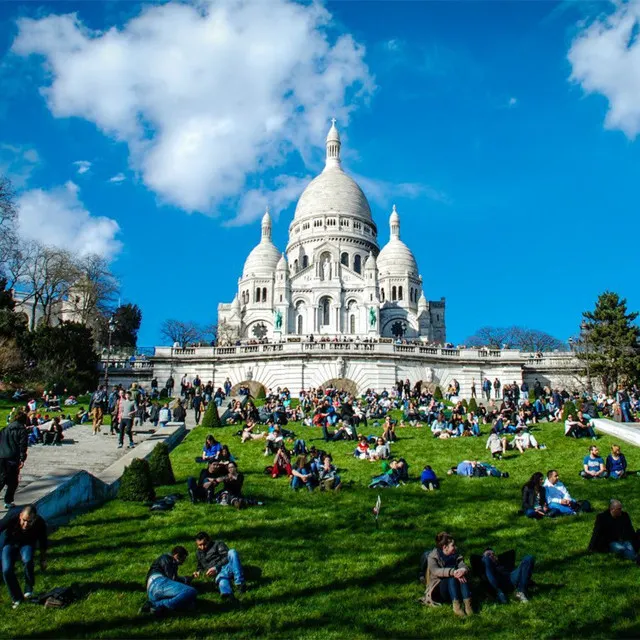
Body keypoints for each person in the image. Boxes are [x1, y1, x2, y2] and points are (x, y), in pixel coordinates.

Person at [0, 505, 48, 609]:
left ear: (34, 519)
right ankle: (17, 598)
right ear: (20, 515)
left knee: (28, 560)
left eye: (29, 522)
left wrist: (43, 559)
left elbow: (43, 541)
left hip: (27, 543)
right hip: (11, 542)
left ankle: (28, 589)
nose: (26, 524)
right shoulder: (12, 516)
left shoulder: (40, 523)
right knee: (6, 570)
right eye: (24, 520)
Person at [419, 531, 473, 617]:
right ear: (445, 547)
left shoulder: (455, 554)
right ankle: (457, 607)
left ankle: (468, 606)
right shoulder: (433, 556)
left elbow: (462, 564)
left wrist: (462, 570)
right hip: (441, 589)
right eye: (453, 545)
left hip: (458, 585)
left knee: (462, 575)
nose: (455, 547)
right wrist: (453, 572)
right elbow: (436, 571)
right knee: (452, 577)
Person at [142, 546, 197, 615]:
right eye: (182, 560)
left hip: (153, 590)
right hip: (158, 582)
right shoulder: (166, 559)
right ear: (176, 556)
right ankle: (156, 604)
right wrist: (185, 581)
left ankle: (158, 607)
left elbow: (174, 580)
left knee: (190, 603)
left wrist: (187, 579)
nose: (182, 563)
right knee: (191, 591)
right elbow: (172, 579)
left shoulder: (169, 561)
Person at [193, 532, 246, 600]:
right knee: (222, 579)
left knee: (232, 552)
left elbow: (227, 557)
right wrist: (198, 572)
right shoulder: (198, 553)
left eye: (204, 544)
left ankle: (240, 583)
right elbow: (200, 566)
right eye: (200, 545)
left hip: (227, 567)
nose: (202, 547)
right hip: (218, 573)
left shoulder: (218, 544)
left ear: (209, 540)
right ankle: (227, 595)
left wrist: (216, 567)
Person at [0, 412, 29, 508]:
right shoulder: (22, 430)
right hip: (12, 458)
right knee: (13, 481)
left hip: (1, 457)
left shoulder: (5, 429)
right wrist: (22, 459)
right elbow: (23, 445)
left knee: (1, 478)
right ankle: (8, 501)